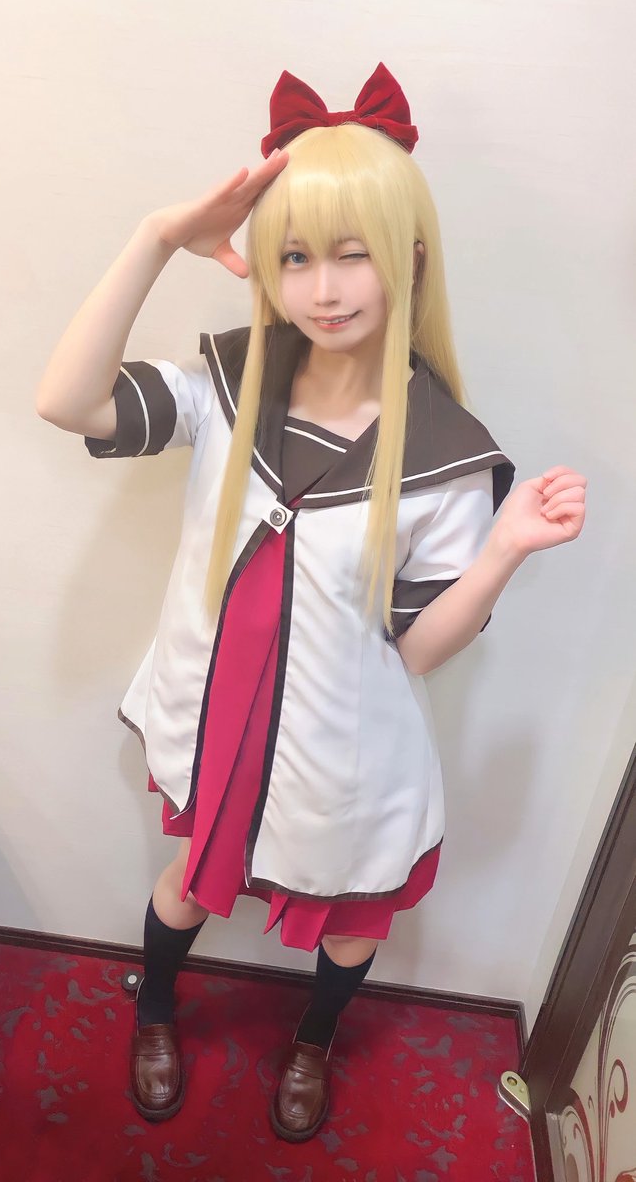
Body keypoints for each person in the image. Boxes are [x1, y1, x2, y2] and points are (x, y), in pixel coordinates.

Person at [36, 63, 587, 1142]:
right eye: (295, 256)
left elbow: (417, 651)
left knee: (350, 916)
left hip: (345, 741)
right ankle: (155, 1007)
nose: (324, 289)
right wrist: (157, 236)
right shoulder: (228, 382)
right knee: (190, 881)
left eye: (353, 253)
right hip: (217, 717)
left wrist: (505, 550)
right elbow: (67, 400)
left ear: (409, 258)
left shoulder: (446, 452)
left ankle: (313, 1044)